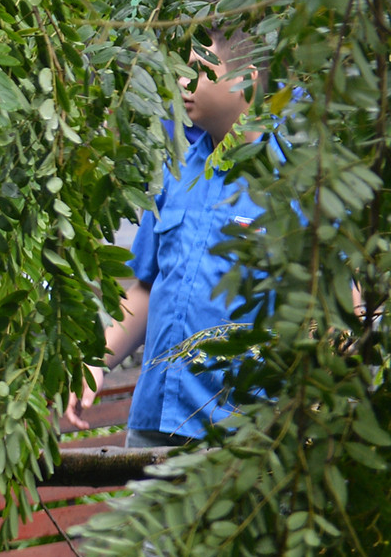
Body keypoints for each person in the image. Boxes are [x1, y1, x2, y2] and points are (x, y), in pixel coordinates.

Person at [67, 32, 267, 447]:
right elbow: (147, 287)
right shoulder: (176, 176)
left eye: (197, 72)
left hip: (244, 437)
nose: (180, 83)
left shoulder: (294, 184)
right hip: (156, 422)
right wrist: (94, 363)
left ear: (244, 80)